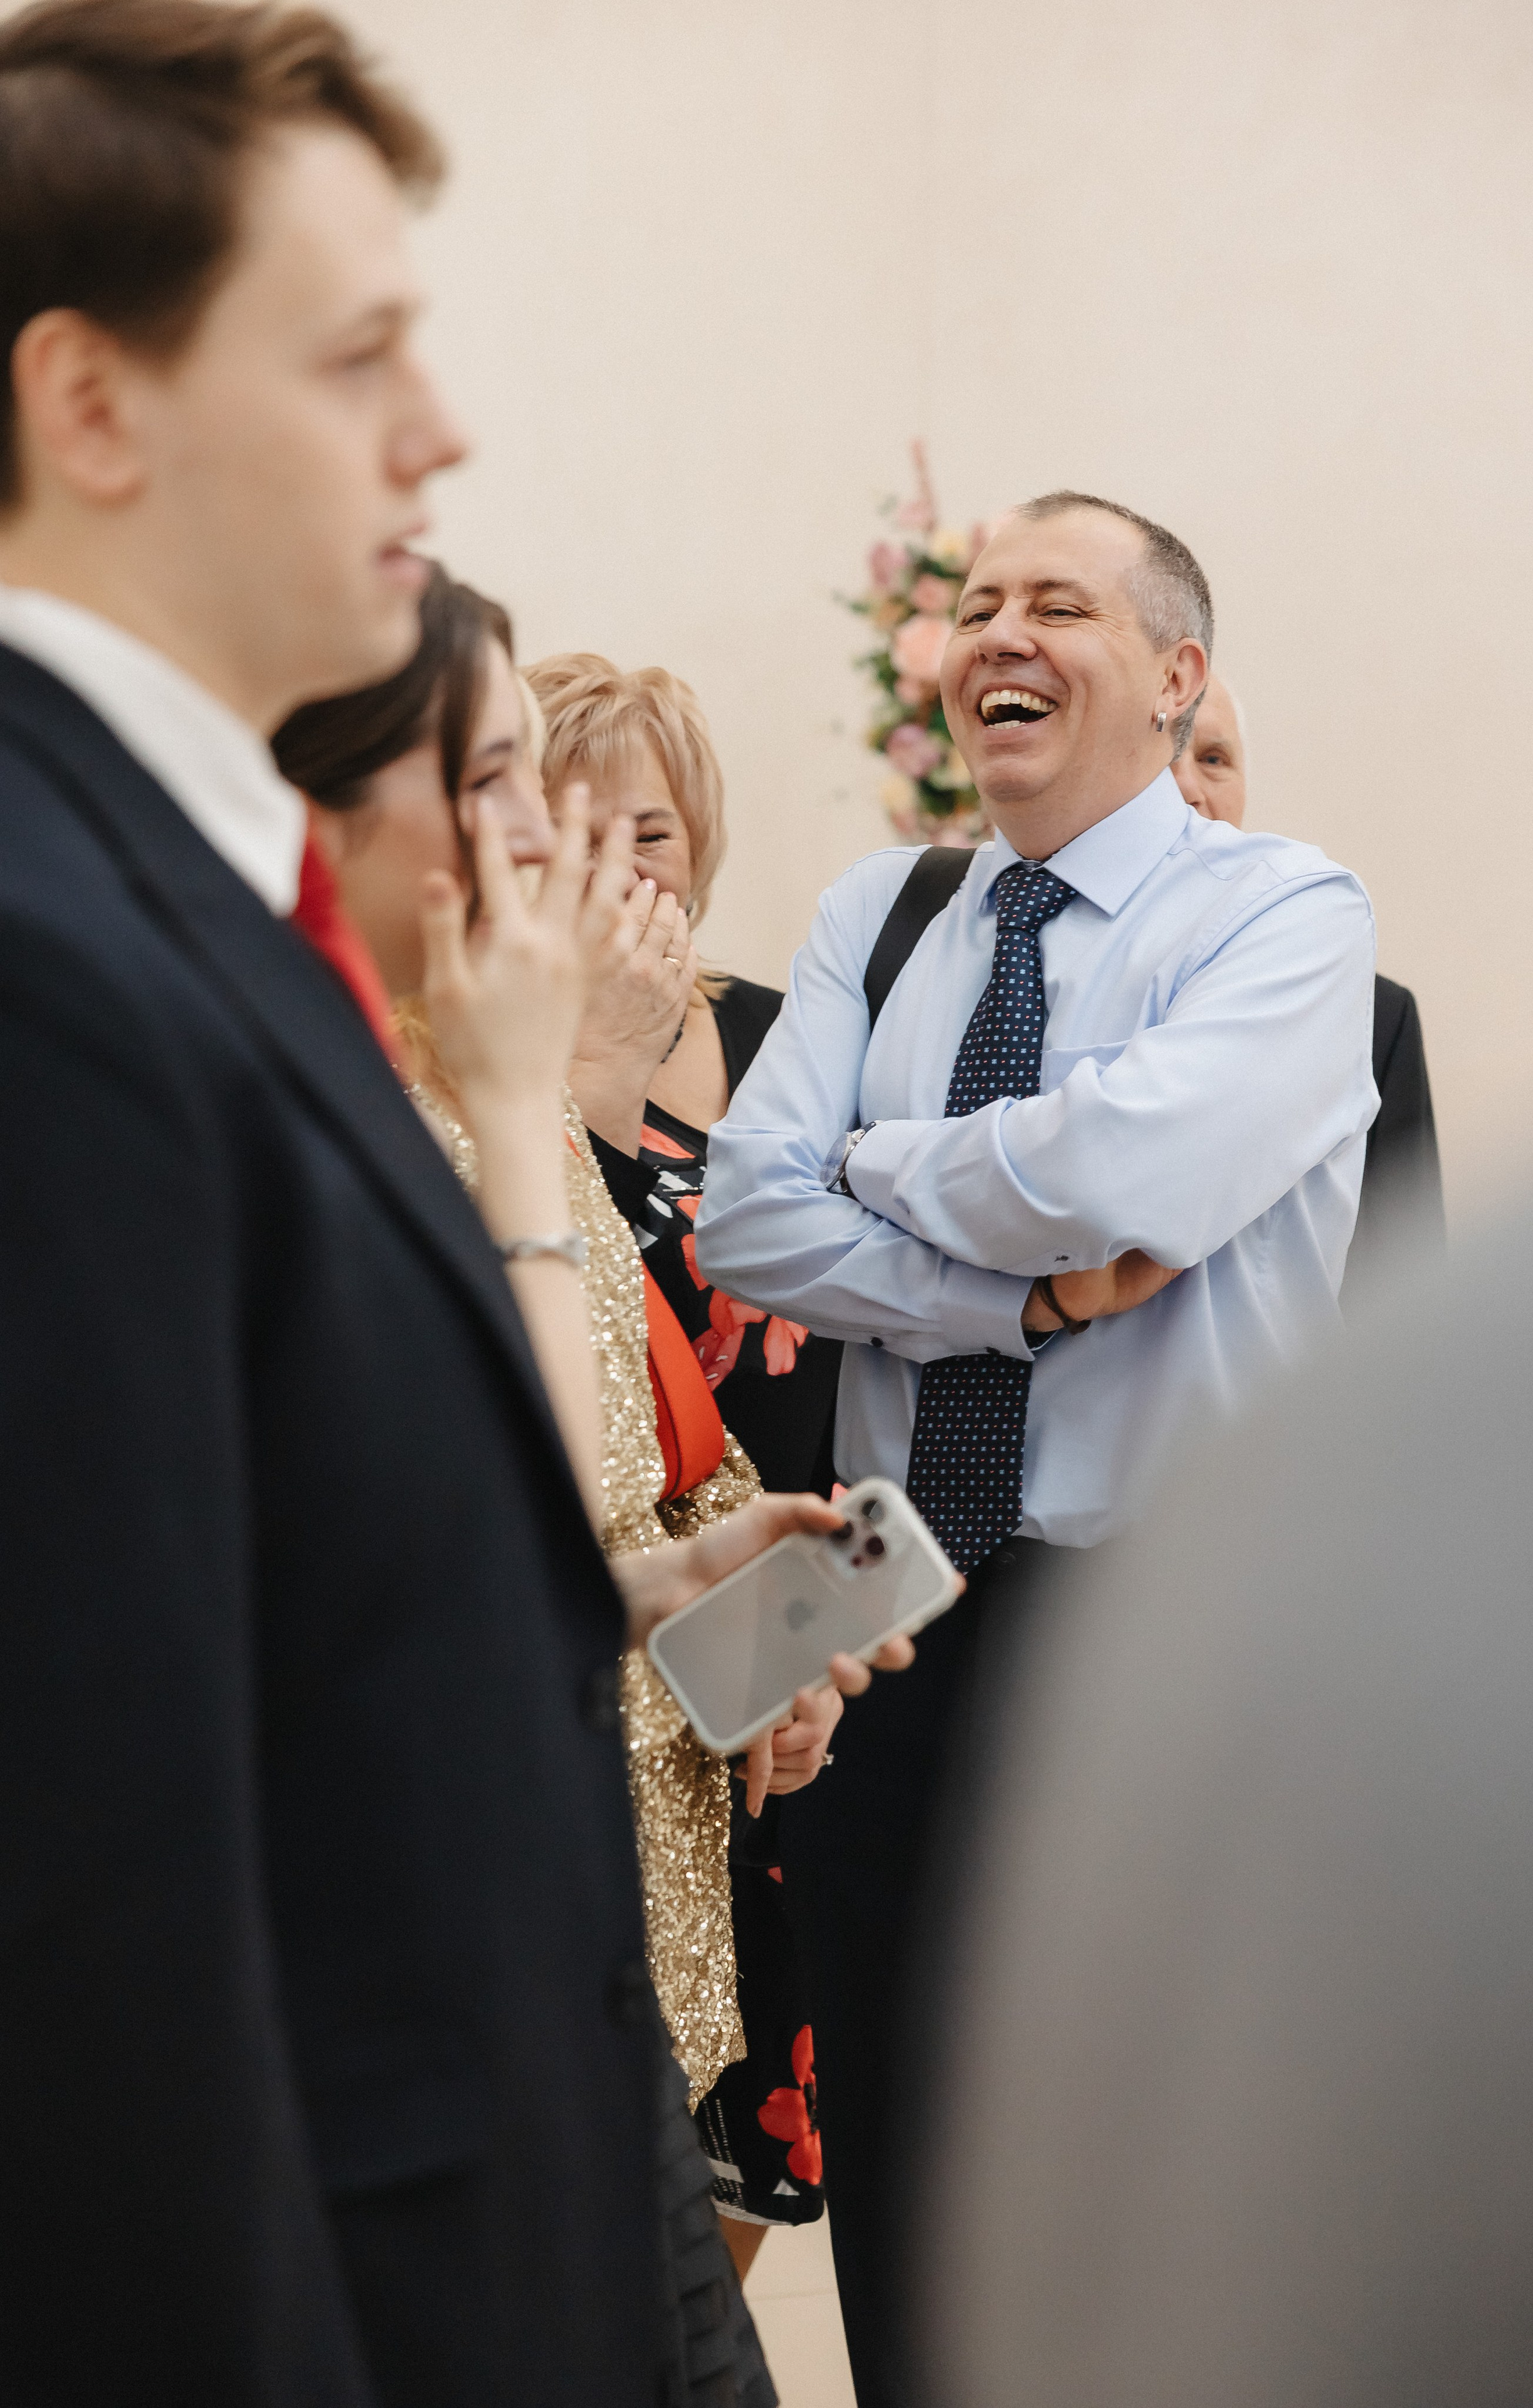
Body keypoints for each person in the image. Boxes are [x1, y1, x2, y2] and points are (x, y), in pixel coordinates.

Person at [0, 9, 900, 2400]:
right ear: (90, 405)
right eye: (356, 353)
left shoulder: (187, 895)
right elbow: (102, 1891)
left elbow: (274, 1593)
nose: (444, 427)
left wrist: (607, 1592)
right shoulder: (47, 955)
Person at [697, 490, 1379, 2407]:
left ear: (1174, 677)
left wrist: (865, 1161)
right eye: (978, 600)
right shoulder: (880, 909)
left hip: (1162, 1612)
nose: (996, 631)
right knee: (897, 2141)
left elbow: (1123, 1169)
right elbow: (743, 1220)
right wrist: (1033, 1303)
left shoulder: (1286, 910)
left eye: (1057, 603)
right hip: (877, 1593)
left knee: (1153, 2158)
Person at [925, 1164, 1533, 2408]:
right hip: (943, 1592)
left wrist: (880, 1181)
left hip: (1172, 1576)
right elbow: (761, 1227)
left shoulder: (1460, 1401)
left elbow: (1142, 1194)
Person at [527, 650, 844, 2274]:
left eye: (647, 831)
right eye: (574, 830)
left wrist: (806, 1652)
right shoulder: (481, 1066)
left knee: (729, 2219)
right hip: (604, 1664)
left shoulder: (790, 1043)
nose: (620, 868)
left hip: (785, 1658)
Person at [1174, 674, 1445, 1281]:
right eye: (1165, 754)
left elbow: (1405, 1277)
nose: (1187, 788)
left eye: (1213, 759)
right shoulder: (1035, 981)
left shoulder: (1377, 1014)